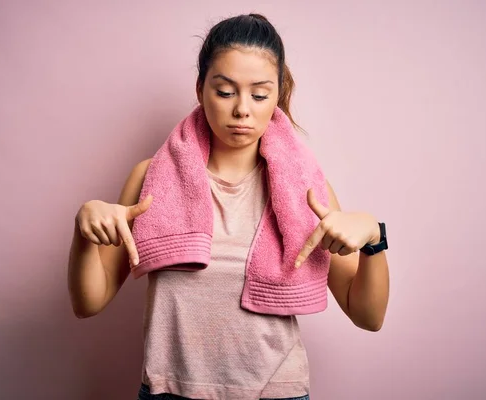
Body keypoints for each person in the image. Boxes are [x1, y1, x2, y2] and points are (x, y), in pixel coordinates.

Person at [68, 13, 390, 400]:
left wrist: (374, 237)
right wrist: (84, 231)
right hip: (170, 393)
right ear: (201, 88)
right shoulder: (150, 179)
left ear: (278, 93)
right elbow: (89, 302)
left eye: (259, 94)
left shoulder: (308, 191)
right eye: (225, 92)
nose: (242, 110)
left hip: (277, 394)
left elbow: (368, 317)